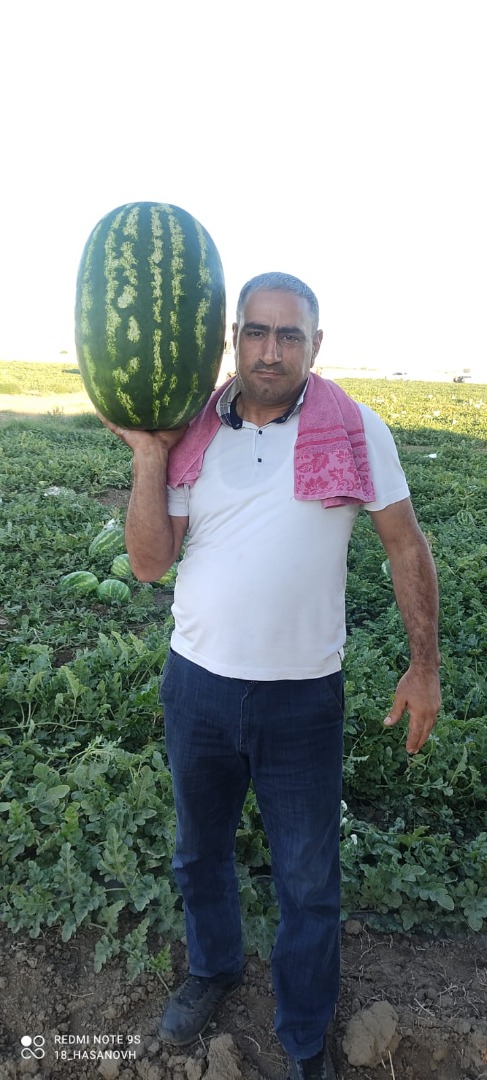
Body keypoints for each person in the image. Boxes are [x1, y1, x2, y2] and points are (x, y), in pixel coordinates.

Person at [100, 272, 441, 1080]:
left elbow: (405, 543)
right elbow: (148, 564)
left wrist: (423, 666)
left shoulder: (355, 429)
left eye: (290, 335)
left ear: (315, 346)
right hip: (199, 688)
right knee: (198, 854)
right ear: (233, 339)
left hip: (302, 699)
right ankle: (213, 968)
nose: (270, 350)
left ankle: (304, 1036)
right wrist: (148, 455)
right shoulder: (191, 431)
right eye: (256, 331)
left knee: (308, 882)